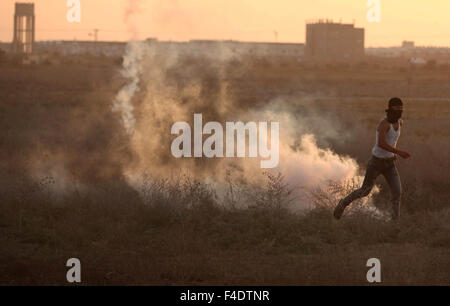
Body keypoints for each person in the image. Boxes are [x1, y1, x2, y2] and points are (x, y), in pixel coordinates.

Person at [333, 97, 411, 221]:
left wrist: (393, 154)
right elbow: (381, 143)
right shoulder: (384, 124)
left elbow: (392, 140)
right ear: (390, 109)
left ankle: (395, 223)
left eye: (401, 109)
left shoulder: (400, 122)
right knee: (365, 191)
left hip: (389, 163)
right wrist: (399, 152)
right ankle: (343, 203)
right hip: (376, 162)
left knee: (397, 192)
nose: (399, 111)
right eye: (397, 109)